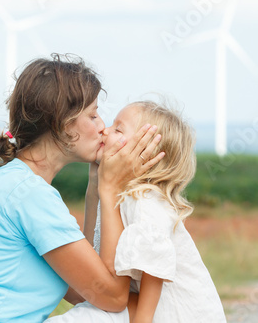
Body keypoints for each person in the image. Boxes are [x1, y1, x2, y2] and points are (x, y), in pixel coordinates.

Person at [0, 54, 164, 323]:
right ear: (63, 123)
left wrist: (95, 184)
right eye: (92, 115)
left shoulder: (6, 179)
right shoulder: (30, 195)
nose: (102, 126)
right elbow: (113, 298)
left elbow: (85, 289)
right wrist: (110, 188)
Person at [46, 101, 227, 323]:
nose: (105, 130)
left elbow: (155, 265)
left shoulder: (146, 200)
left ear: (147, 154)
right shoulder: (119, 194)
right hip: (136, 306)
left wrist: (143, 320)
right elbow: (94, 254)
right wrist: (96, 182)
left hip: (171, 312)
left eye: (118, 129)